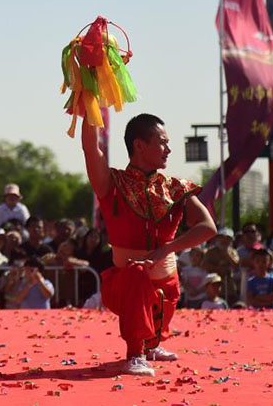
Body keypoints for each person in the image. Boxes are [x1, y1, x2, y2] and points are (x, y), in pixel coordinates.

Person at [82, 114, 216, 377]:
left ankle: (152, 344)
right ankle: (135, 353)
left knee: (160, 280)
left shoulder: (175, 188)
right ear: (139, 145)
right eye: (162, 142)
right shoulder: (112, 183)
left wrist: (165, 250)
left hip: (166, 285)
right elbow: (90, 147)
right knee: (136, 273)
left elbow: (207, 227)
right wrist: (89, 102)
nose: (168, 149)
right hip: (126, 286)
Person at [202, 228, 240, 303]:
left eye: (227, 238)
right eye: (221, 237)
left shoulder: (233, 252)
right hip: (214, 288)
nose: (224, 240)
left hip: (229, 287)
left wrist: (226, 253)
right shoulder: (211, 252)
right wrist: (218, 268)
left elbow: (236, 266)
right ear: (217, 238)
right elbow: (204, 265)